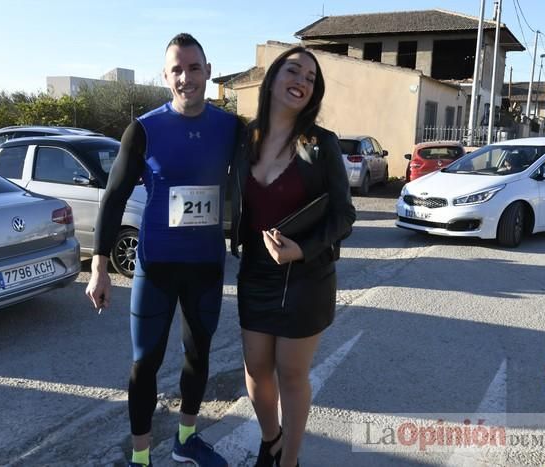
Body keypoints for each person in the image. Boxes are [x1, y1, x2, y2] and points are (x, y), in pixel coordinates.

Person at [85, 33, 238, 467]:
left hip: (207, 266)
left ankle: (186, 440)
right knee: (144, 364)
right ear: (165, 76)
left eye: (194, 68)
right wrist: (98, 267)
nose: (186, 77)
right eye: (177, 69)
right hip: (156, 267)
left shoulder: (231, 128)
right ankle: (140, 458)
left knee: (198, 356)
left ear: (208, 72)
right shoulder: (145, 129)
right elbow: (113, 197)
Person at [229, 47, 356, 467]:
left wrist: (302, 249)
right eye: (293, 69)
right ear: (273, 79)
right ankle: (272, 439)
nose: (302, 79)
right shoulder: (245, 139)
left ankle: (290, 461)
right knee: (255, 370)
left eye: (311, 77)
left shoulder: (322, 144)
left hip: (306, 276)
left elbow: (344, 214)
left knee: (291, 373)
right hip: (255, 273)